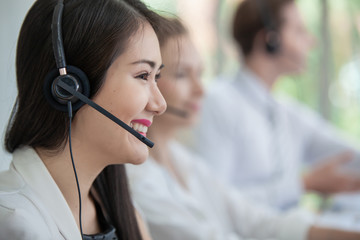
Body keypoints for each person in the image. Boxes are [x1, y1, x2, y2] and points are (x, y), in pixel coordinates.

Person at [126, 17, 360, 240]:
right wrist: (304, 185)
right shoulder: (136, 177)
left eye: (199, 74)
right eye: (181, 74)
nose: (201, 90)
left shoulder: (184, 161)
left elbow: (254, 220)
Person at [0, 0, 167, 239]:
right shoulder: (15, 224)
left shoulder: (118, 205)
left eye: (156, 77)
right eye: (143, 75)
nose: (160, 105)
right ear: (68, 89)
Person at [193, 0, 360, 210]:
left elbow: (350, 156)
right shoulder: (217, 102)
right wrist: (302, 184)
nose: (311, 41)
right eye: (299, 31)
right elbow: (214, 202)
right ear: (270, 40)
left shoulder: (285, 112)